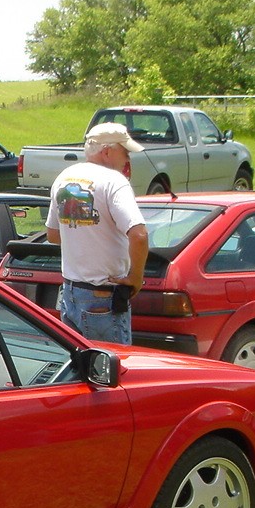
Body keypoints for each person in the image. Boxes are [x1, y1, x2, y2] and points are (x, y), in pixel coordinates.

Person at [45, 122, 148, 344]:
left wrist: (84, 236)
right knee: (112, 363)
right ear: (107, 152)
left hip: (70, 293)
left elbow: (52, 235)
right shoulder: (114, 181)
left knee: (80, 361)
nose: (127, 158)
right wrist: (136, 278)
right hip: (103, 297)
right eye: (125, 151)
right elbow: (139, 235)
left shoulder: (64, 177)